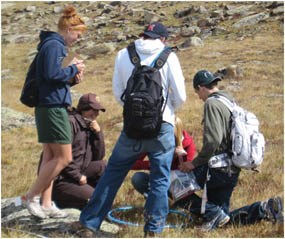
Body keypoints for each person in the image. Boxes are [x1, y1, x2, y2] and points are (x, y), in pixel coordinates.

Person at [80, 22, 186, 237]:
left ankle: (90, 223)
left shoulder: (123, 54)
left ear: (143, 35)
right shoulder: (169, 57)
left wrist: (135, 110)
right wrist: (166, 110)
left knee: (113, 173)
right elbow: (181, 96)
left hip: (132, 127)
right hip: (162, 126)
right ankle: (153, 230)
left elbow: (118, 92)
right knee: (159, 178)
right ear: (162, 39)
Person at [178, 70, 283, 231]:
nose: (199, 97)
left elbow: (213, 141)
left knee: (176, 187)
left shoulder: (212, 104)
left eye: (197, 92)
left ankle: (212, 215)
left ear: (201, 87)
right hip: (232, 167)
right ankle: (265, 208)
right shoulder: (228, 101)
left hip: (217, 168)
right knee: (223, 220)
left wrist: (194, 163)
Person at [22, 5, 86, 219]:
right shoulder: (55, 46)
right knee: (64, 158)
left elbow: (50, 79)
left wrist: (70, 78)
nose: (78, 37)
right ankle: (31, 197)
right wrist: (73, 69)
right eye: (78, 33)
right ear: (68, 29)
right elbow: (51, 74)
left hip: (49, 104)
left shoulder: (50, 45)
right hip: (52, 108)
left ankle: (47, 203)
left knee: (50, 156)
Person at [42, 93, 106, 210]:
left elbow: (99, 157)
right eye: (94, 110)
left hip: (78, 171)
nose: (96, 114)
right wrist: (78, 177)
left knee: (104, 166)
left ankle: (90, 197)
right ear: (83, 109)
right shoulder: (69, 124)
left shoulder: (89, 125)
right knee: (97, 198)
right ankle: (62, 201)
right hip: (61, 179)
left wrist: (98, 133)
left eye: (98, 111)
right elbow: (61, 157)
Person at [131, 116, 196, 199]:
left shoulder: (188, 144)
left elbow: (185, 171)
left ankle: (174, 201)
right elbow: (133, 163)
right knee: (138, 178)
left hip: (177, 183)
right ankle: (155, 200)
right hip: (158, 178)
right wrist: (151, 164)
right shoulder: (153, 140)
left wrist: (172, 156)